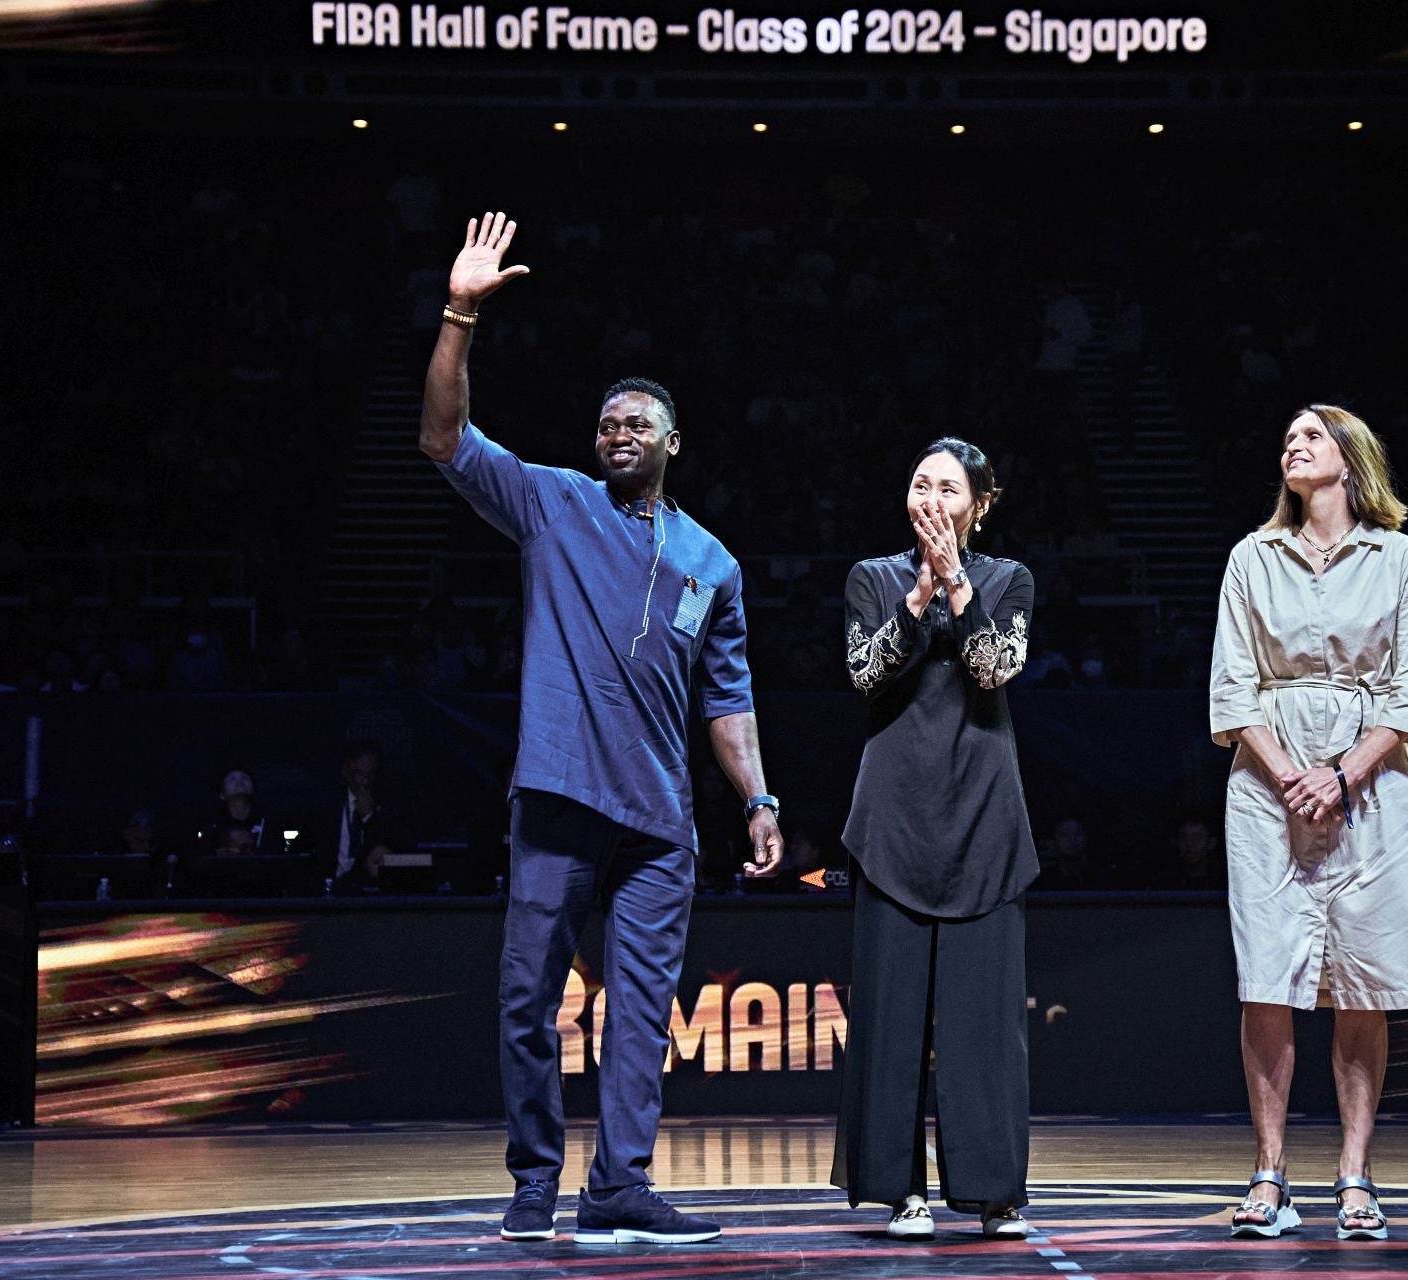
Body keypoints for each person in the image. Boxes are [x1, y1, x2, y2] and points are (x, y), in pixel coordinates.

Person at [418, 211, 784, 1246]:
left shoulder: (713, 561)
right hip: (560, 798)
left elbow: (729, 698)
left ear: (674, 442)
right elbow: (442, 437)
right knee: (527, 997)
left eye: (637, 423)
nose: (616, 432)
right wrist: (460, 313)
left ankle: (619, 1180)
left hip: (662, 825)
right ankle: (535, 1178)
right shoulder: (550, 502)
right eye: (606, 422)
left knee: (639, 1017)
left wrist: (757, 799)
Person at [1208, 405, 1408, 1243]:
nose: (1293, 444)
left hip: (1375, 785)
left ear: (1350, 460)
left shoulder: (1401, 560)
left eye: (1311, 435)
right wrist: (1291, 776)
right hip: (1267, 787)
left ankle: (1355, 1174)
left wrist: (1344, 774)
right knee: (1268, 978)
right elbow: (1233, 687)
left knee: (1365, 977)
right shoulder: (1252, 556)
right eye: (1286, 436)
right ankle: (1270, 1173)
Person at [832, 438, 1039, 1242]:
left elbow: (994, 667)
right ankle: (900, 1191)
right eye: (919, 483)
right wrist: (916, 598)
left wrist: (956, 583)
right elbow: (864, 673)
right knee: (890, 1017)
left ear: (977, 506)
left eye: (947, 488)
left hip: (984, 814)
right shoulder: (873, 579)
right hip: (894, 817)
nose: (930, 498)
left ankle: (994, 1192)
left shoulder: (1007, 580)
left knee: (985, 1022)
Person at [328, 738, 408, 892]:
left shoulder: (390, 806)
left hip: (371, 892)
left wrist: (369, 817)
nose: (365, 781)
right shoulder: (329, 805)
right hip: (330, 891)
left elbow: (395, 848)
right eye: (359, 774)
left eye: (371, 774)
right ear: (346, 771)